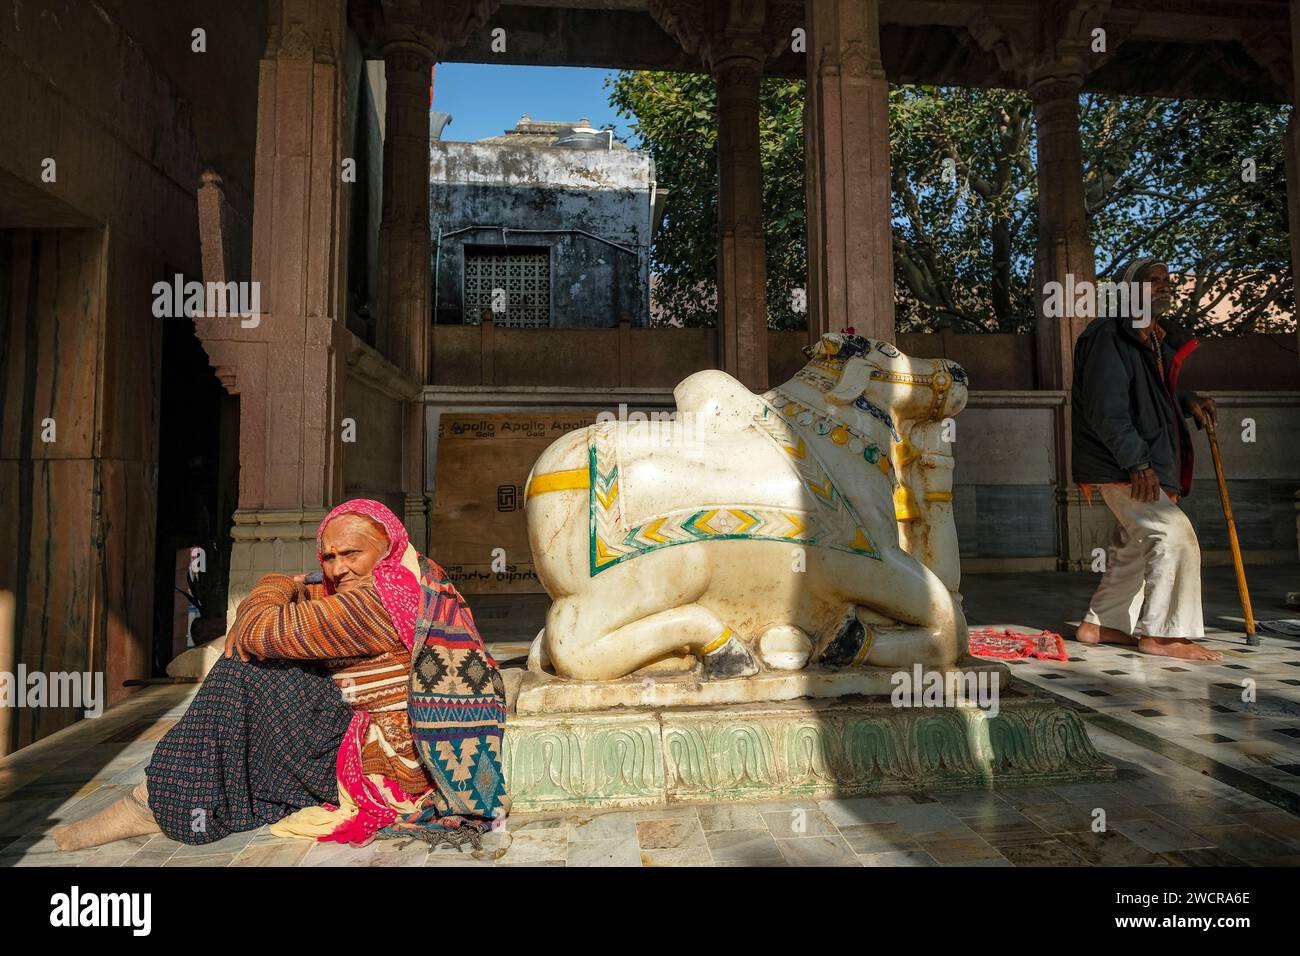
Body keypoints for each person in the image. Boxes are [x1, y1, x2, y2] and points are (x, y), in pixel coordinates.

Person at [53, 498, 509, 851]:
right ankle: (162, 796)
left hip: (388, 763)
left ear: (388, 547)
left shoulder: (373, 606)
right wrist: (283, 606)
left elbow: (255, 631)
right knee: (266, 669)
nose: (337, 568)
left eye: (352, 554)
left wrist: (275, 580)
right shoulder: (412, 580)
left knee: (246, 673)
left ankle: (157, 801)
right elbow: (281, 623)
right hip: (392, 736)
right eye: (328, 557)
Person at [1071, 258, 1222, 662]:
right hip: (1122, 465)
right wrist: (1138, 463)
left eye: (1167, 280)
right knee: (1174, 536)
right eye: (1152, 280)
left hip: (1140, 462)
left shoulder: (1150, 338)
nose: (1164, 286)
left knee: (1136, 545)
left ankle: (1103, 624)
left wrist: (1185, 400)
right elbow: (1107, 410)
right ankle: (1164, 634)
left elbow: (1147, 401)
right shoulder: (1109, 336)